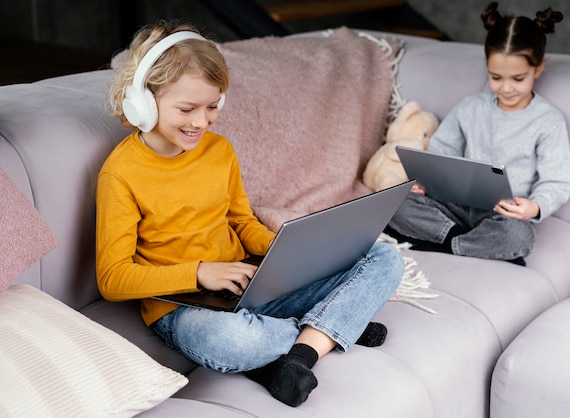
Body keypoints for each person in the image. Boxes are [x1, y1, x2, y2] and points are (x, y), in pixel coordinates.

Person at [96, 21, 405, 408]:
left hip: (249, 284)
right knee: (233, 341)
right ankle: (329, 329)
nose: (201, 122)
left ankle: (308, 345)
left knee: (383, 256)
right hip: (182, 308)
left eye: (212, 107)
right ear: (142, 101)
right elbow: (111, 278)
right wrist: (199, 272)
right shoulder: (121, 173)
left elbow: (242, 222)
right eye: (187, 109)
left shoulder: (218, 150)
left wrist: (286, 249)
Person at [385, 2, 570, 266]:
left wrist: (534, 207)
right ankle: (465, 244)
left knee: (519, 237)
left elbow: (557, 182)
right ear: (487, 66)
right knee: (396, 199)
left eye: (518, 79)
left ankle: (441, 242)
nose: (506, 88)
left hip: (503, 215)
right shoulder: (470, 107)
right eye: (496, 77)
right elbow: (443, 151)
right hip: (455, 204)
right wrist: (427, 182)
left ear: (538, 69)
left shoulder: (548, 121)